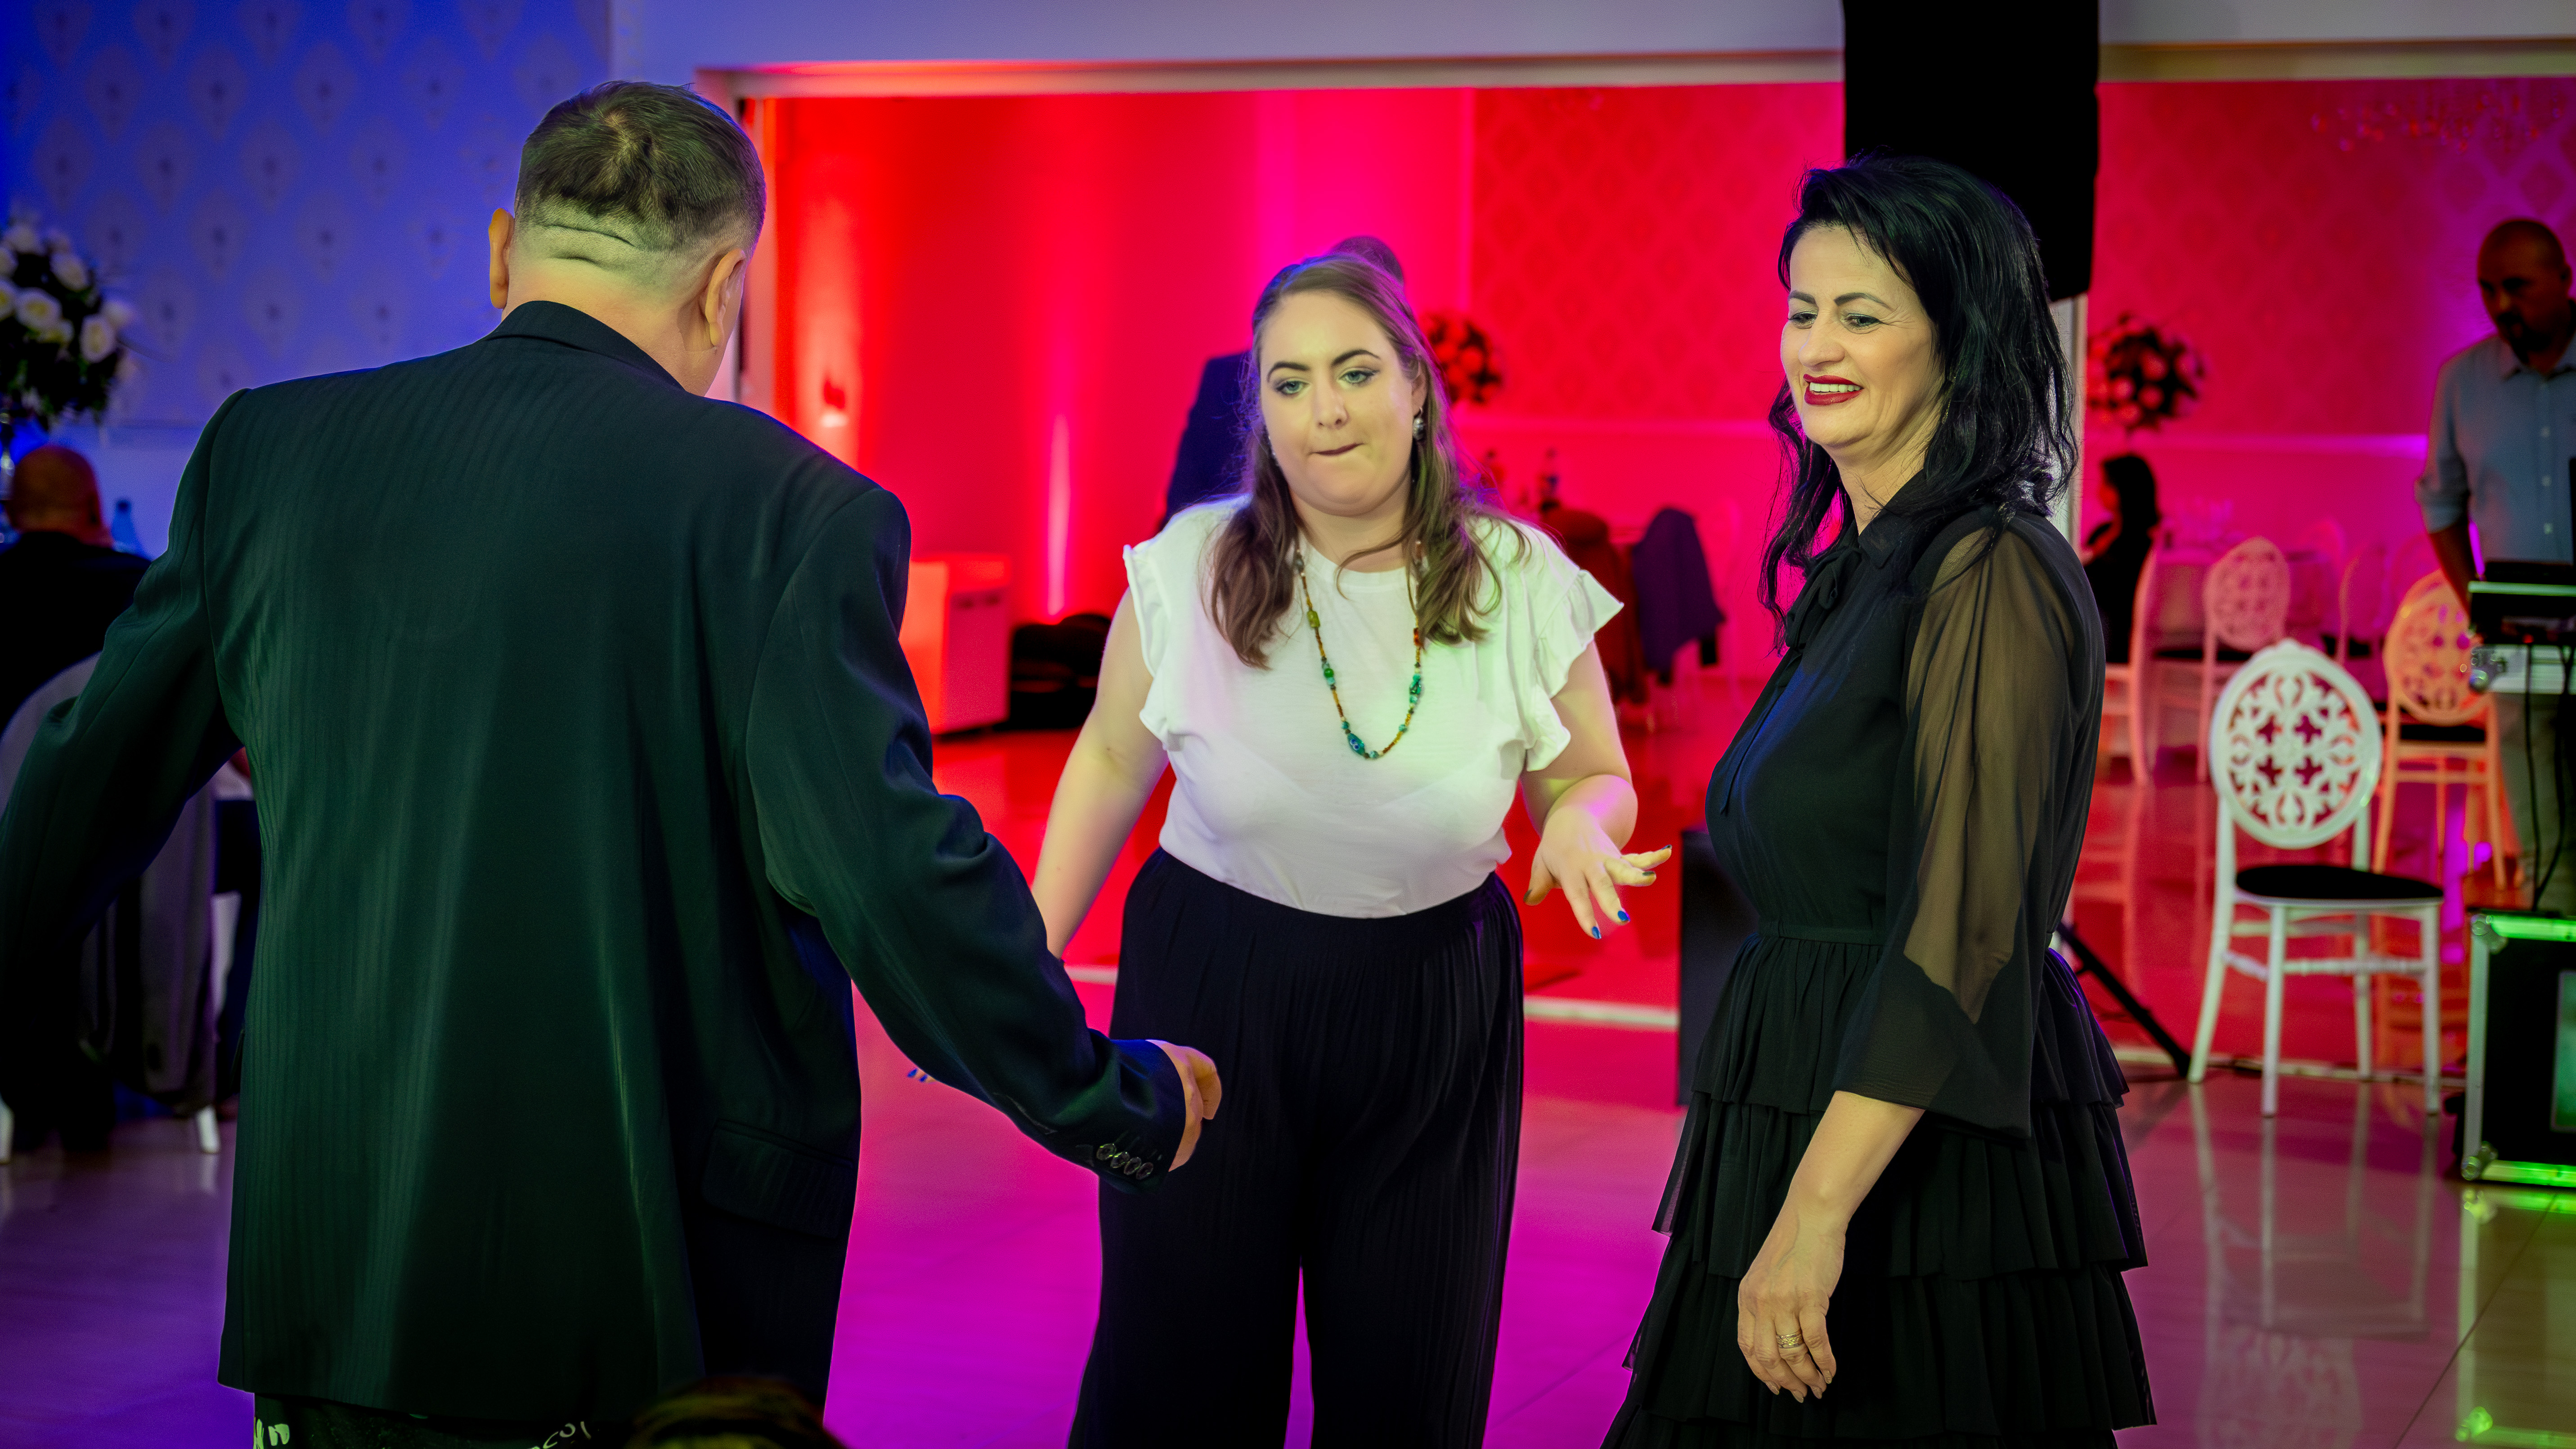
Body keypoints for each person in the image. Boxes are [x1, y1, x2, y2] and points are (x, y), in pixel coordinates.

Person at [0, 81, 1219, 1444]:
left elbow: (70, 790)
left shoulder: (265, 456)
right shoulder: (790, 512)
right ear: (725, 286)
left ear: (503, 248)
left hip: (335, 1259)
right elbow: (891, 877)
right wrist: (1111, 1096)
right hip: (639, 1281)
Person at [1036, 250, 1668, 1446]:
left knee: (1407, 1364)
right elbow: (1112, 760)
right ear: (1262, 413)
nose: (1322, 407)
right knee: (1181, 1360)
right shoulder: (1191, 562)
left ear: (1416, 387)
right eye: (1289, 382)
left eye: (1354, 371)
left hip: (1433, 998)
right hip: (1212, 985)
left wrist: (1581, 819)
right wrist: (1023, 960)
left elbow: (1589, 770)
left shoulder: (1518, 574)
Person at [1606, 155, 2151, 1446]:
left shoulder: (1988, 571)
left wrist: (1814, 1212)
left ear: (1960, 342)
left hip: (1906, 1145)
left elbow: (1965, 929)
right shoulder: (1862, 570)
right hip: (1812, 1102)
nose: (1817, 345)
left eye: (1862, 314)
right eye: (1802, 310)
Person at [2419, 217, 2576, 912]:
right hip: (2505, 633)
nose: (2500, 305)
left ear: (2563, 280)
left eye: (2517, 286)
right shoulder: (2460, 380)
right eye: (2487, 290)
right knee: (2533, 827)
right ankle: (2553, 953)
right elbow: (2439, 505)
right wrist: (2477, 606)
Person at [0, 443, 149, 1153]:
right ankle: (211, 1059)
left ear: (10, 511)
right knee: (260, 857)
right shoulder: (142, 591)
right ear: (94, 510)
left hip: (7, 840)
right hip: (127, 842)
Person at [1161, 235, 1407, 525]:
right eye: (1291, 386)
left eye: (1356, 376)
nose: (1329, 413)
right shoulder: (1223, 377)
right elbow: (1184, 499)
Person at [2082, 452, 2159, 663]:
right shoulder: (2102, 532)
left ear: (2125, 489)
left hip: (2120, 627)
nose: (2100, 491)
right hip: (2100, 618)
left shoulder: (2140, 541)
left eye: (2107, 484)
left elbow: (2116, 587)